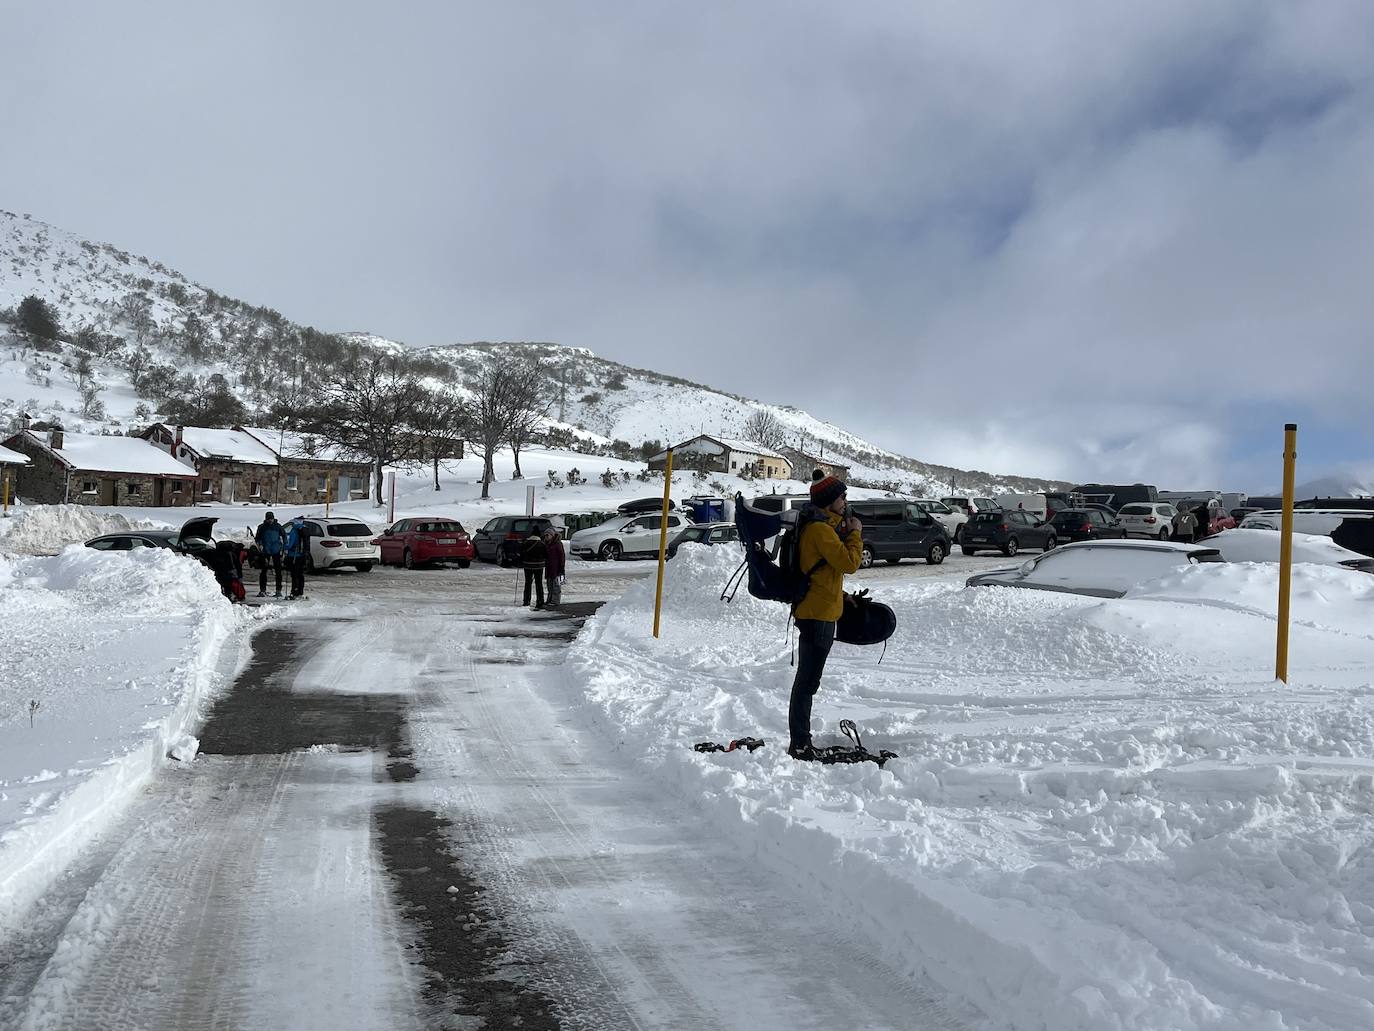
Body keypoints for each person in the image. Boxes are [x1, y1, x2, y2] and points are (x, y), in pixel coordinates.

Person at [788, 475, 863, 760]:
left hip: (817, 609)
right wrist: (856, 532)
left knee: (806, 680)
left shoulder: (820, 527)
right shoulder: (820, 530)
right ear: (830, 501)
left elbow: (824, 571)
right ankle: (800, 743)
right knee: (807, 681)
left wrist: (839, 595)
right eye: (842, 498)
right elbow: (850, 563)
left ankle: (800, 740)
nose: (845, 503)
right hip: (818, 616)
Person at [254, 511, 285, 598]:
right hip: (265, 551)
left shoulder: (278, 526)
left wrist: (283, 546)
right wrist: (260, 544)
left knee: (278, 571)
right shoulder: (262, 527)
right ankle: (262, 590)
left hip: (276, 551)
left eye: (271, 519)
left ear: (273, 518)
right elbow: (257, 538)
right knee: (264, 571)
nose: (270, 521)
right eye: (268, 519)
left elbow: (284, 536)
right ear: (266, 519)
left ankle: (278, 590)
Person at [520, 527, 548, 609]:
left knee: (528, 583)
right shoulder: (542, 544)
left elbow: (521, 554)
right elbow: (546, 555)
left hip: (527, 565)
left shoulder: (525, 543)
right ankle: (540, 601)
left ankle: (526, 601)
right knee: (539, 584)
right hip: (539, 566)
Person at [284, 515, 310, 599]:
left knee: (294, 574)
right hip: (302, 555)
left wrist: (284, 547)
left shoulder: (294, 531)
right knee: (300, 574)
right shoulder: (305, 529)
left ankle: (294, 591)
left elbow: (290, 544)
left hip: (294, 556)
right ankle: (300, 592)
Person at [542, 527, 566, 608]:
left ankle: (555, 600)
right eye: (545, 535)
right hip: (549, 567)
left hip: (556, 567)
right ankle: (549, 599)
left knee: (556, 585)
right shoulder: (547, 544)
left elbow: (562, 556)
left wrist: (561, 568)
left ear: (552, 535)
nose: (546, 537)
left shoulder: (557, 544)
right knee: (549, 585)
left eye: (547, 535)